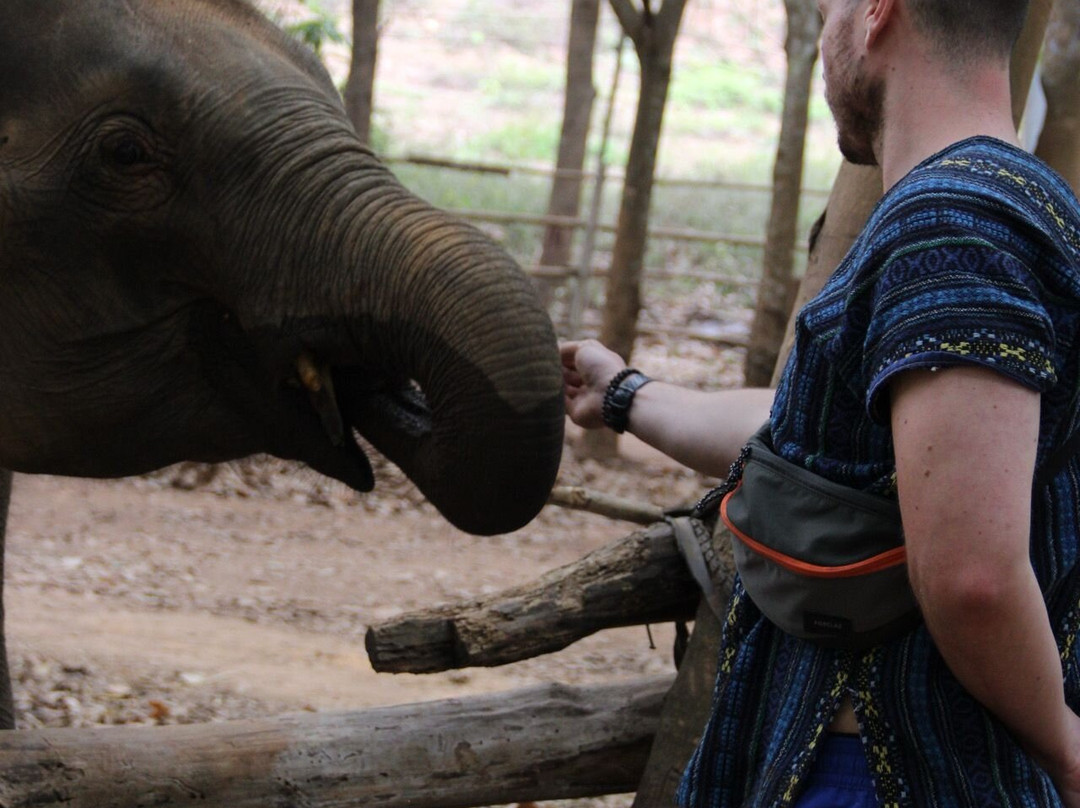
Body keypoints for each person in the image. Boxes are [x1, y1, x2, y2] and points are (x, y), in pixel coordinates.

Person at [560, 0, 1080, 804]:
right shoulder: (1005, 204)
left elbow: (972, 576)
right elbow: (814, 448)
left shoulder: (956, 226)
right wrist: (624, 394)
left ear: (878, 11)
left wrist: (1070, 751)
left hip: (882, 768)